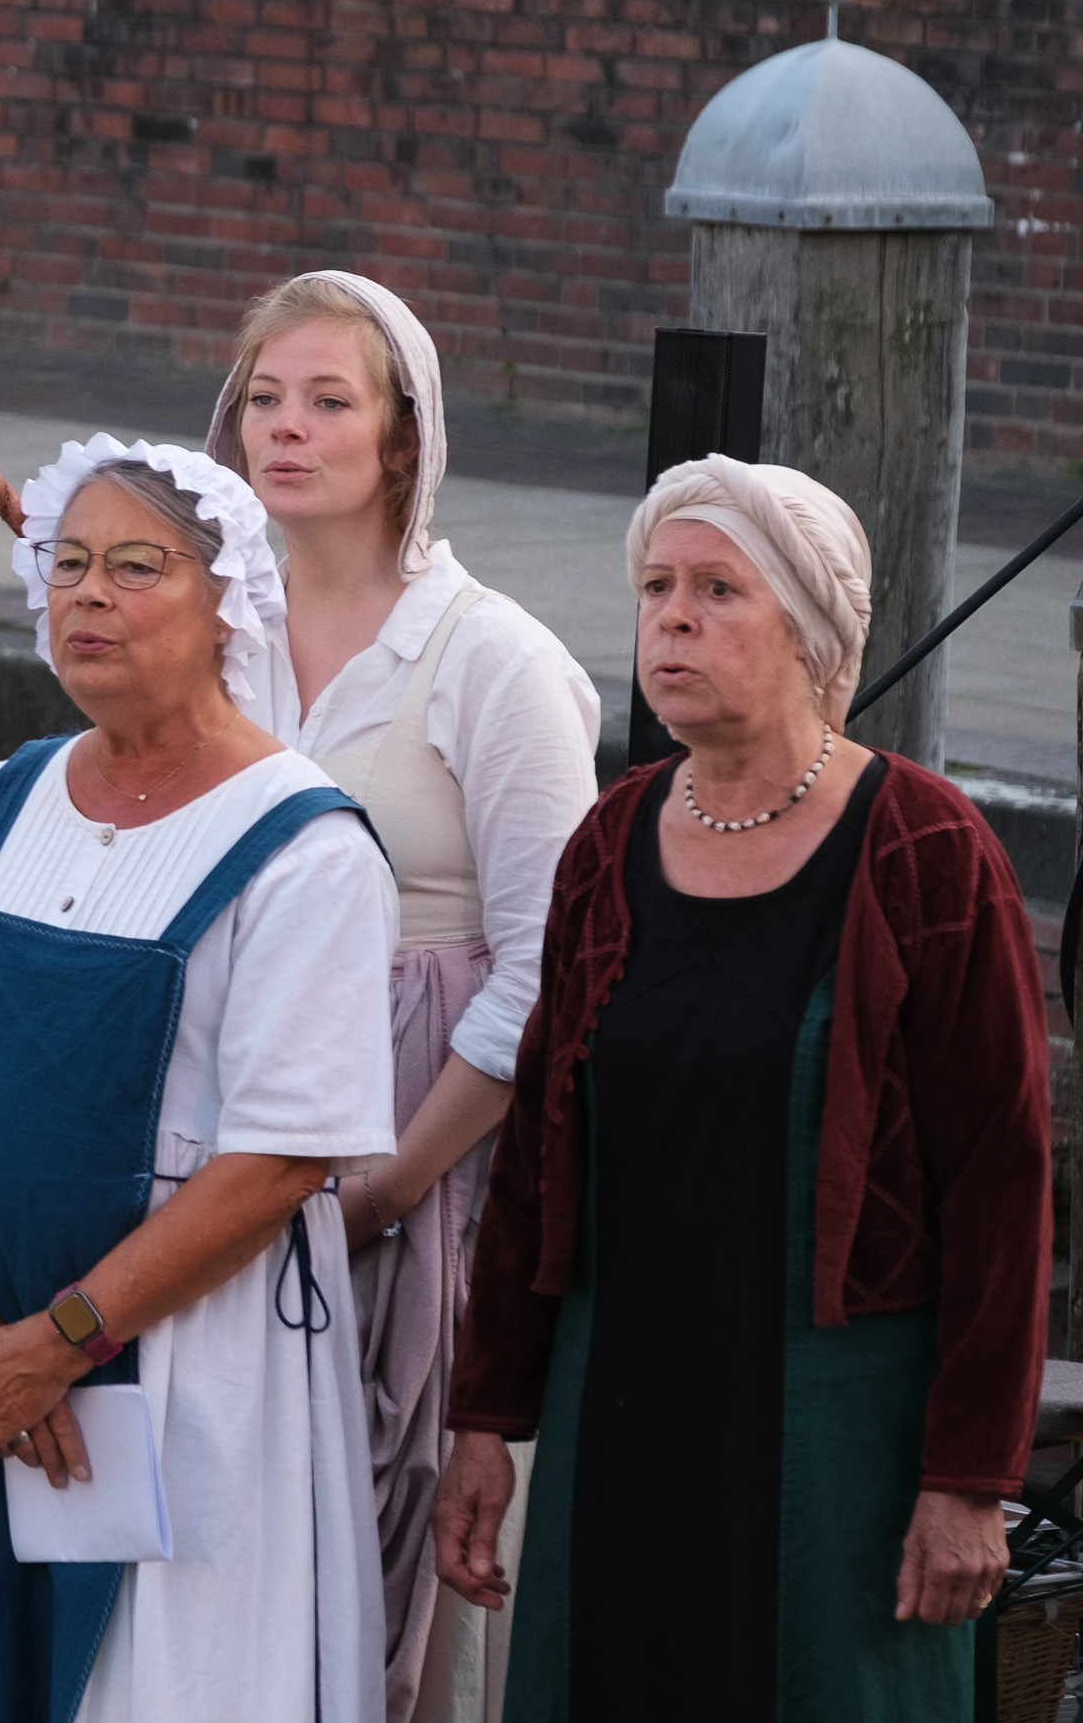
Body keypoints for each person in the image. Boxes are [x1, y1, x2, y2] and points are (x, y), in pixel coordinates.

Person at [437, 455, 1048, 1723]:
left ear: (808, 633)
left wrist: (967, 1478)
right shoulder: (608, 842)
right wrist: (485, 1419)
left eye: (716, 590)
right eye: (655, 588)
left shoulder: (926, 849)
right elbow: (538, 1155)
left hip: (838, 1420)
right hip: (619, 1398)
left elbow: (999, 1188)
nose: (671, 618)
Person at [0, 435, 397, 1723]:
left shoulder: (302, 850)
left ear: (226, 606)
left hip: (188, 1368)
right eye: (67, 563)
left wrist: (60, 1343)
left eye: (134, 567)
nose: (85, 593)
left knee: (162, 1684)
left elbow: (279, 1159)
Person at [205, 271, 600, 1723]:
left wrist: (384, 1184)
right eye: (265, 397)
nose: (287, 426)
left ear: (402, 437)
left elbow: (550, 967)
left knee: (400, 1526)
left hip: (422, 1160)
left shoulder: (494, 661)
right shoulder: (214, 633)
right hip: (228, 1146)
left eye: (329, 399)